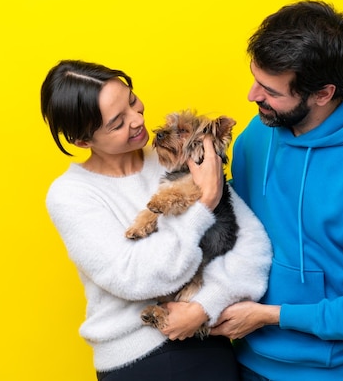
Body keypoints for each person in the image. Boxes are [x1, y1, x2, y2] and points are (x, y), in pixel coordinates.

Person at [210, 0, 343, 380]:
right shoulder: (259, 134)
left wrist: (270, 316)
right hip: (239, 359)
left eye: (270, 90)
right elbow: (236, 228)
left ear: (323, 94)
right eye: (255, 79)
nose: (252, 96)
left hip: (326, 373)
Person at [40, 60, 272, 381]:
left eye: (133, 101)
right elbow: (135, 278)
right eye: (117, 122)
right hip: (135, 361)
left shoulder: (179, 156)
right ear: (83, 141)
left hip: (208, 345)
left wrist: (204, 307)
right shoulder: (71, 195)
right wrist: (204, 202)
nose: (138, 120)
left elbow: (253, 249)